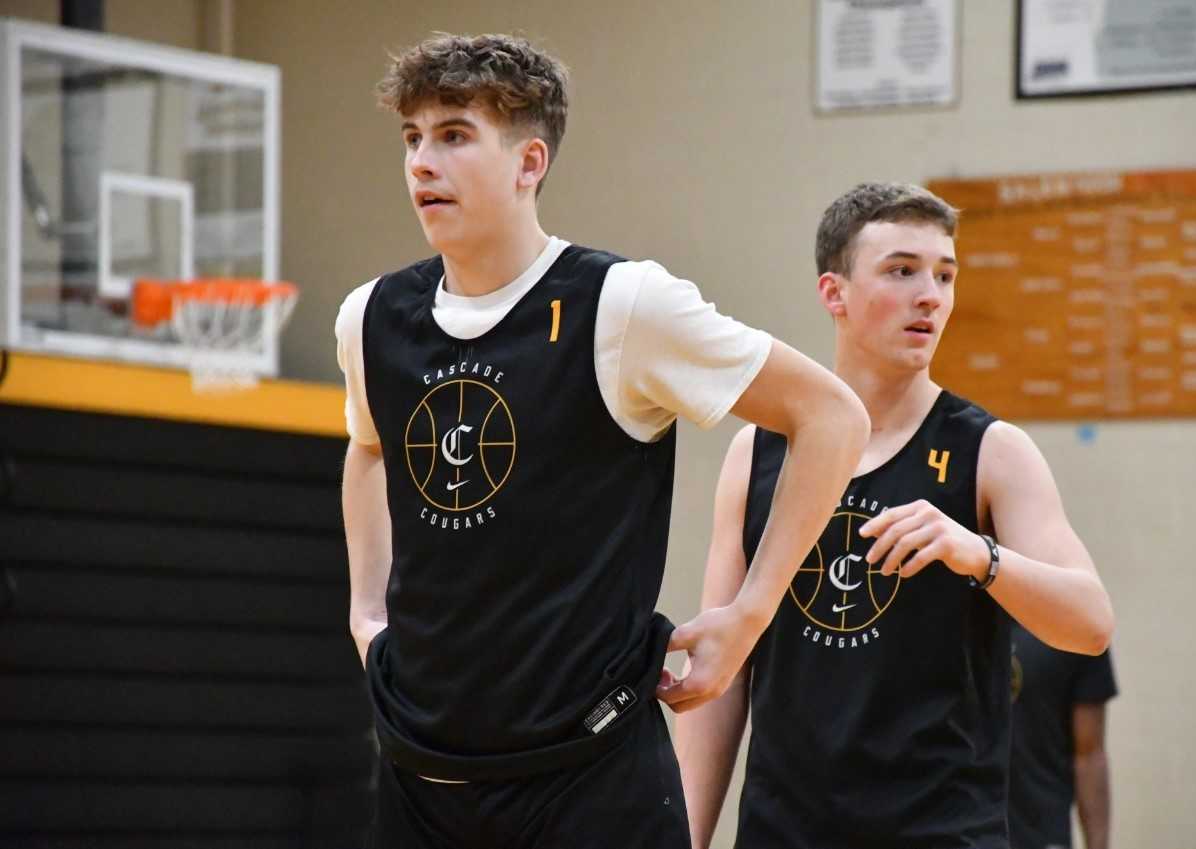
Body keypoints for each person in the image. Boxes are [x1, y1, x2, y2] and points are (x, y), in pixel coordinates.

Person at [334, 33, 869, 849]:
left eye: (453, 135)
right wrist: (366, 612)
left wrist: (749, 615)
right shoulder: (369, 317)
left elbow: (830, 417)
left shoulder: (622, 304)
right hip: (422, 776)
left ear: (529, 162)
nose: (421, 163)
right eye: (412, 138)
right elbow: (369, 446)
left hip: (590, 776)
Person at [675, 182, 1115, 849]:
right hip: (782, 831)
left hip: (941, 830)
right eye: (902, 270)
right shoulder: (756, 453)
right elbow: (722, 672)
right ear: (834, 293)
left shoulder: (990, 450)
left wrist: (978, 554)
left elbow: (1091, 623)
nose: (930, 295)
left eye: (944, 275)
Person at [1009, 621, 1118, 849]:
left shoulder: (1079, 624)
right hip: (962, 827)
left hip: (1043, 831)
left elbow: (1089, 755)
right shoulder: (956, 617)